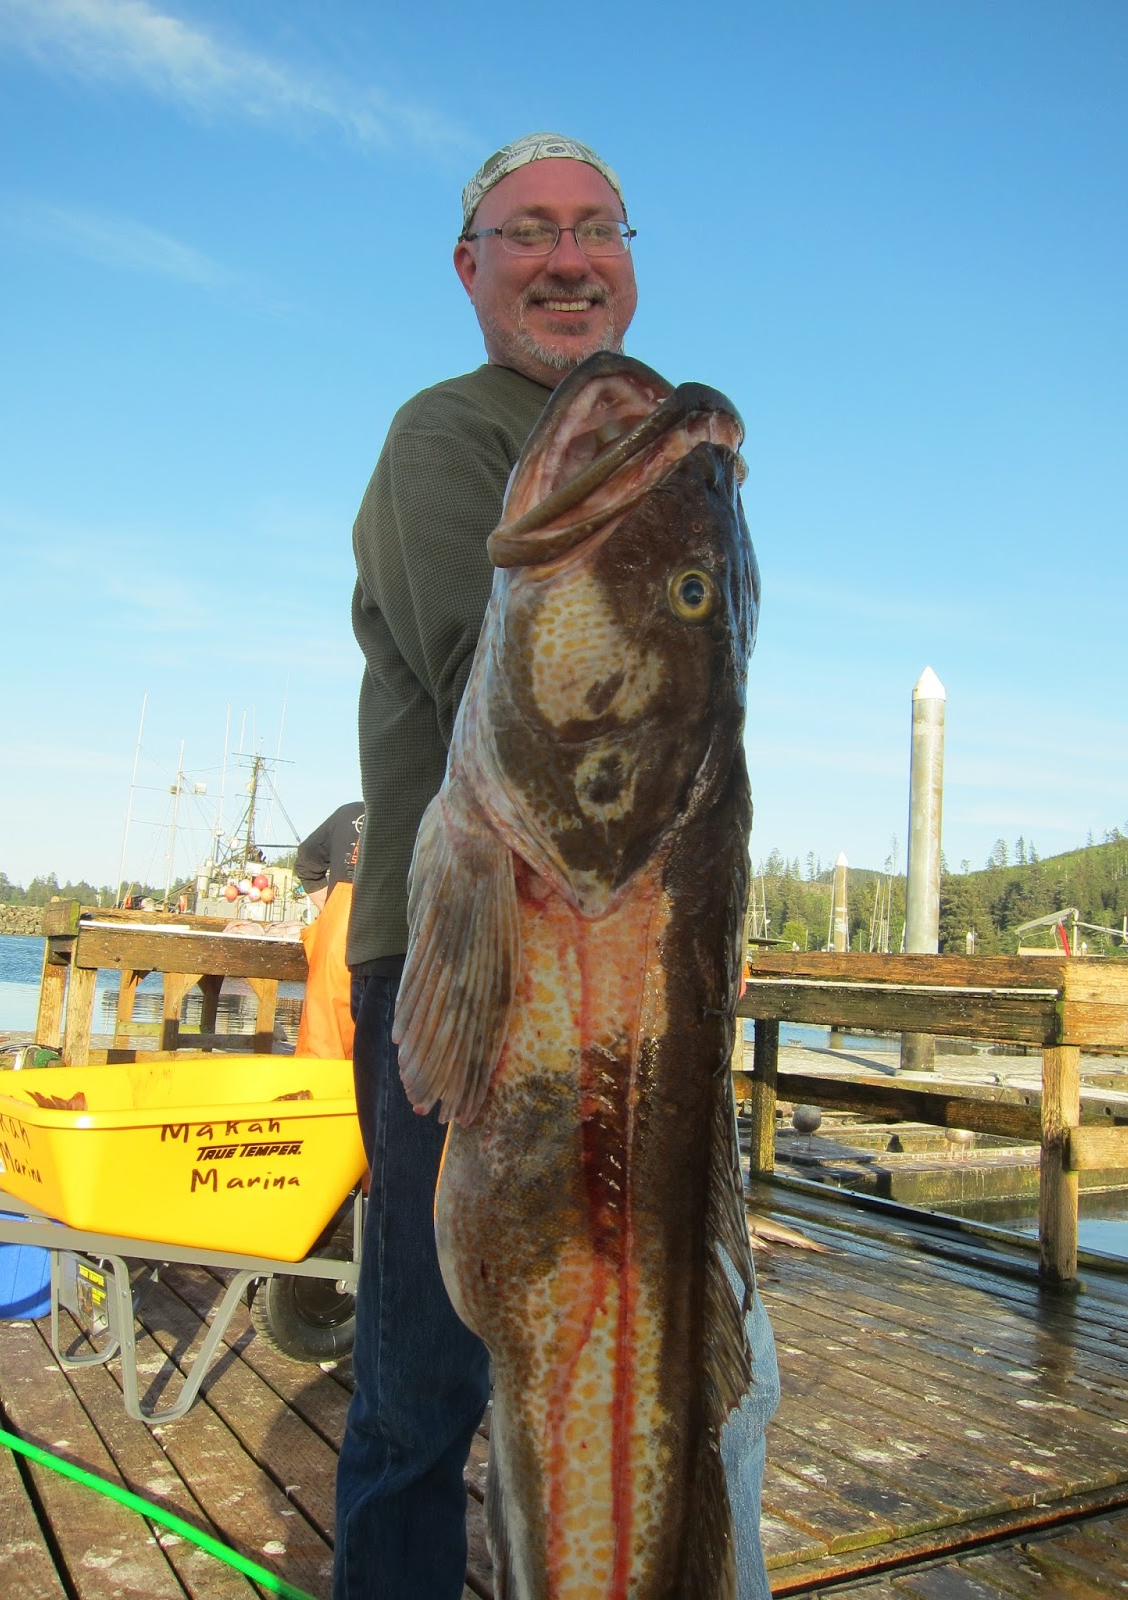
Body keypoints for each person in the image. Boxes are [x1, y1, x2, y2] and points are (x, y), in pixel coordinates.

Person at [337, 132, 779, 1600]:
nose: (570, 259)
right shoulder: (444, 437)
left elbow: (679, 705)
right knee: (422, 1395)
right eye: (529, 232)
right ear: (470, 269)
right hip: (466, 956)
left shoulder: (638, 457)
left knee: (669, 1371)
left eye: (598, 227)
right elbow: (488, 673)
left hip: (638, 959)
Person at [293, 801, 364, 1058]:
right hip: (395, 942)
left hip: (338, 941)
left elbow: (306, 863)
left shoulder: (349, 814)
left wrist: (330, 907)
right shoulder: (425, 814)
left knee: (323, 1042)